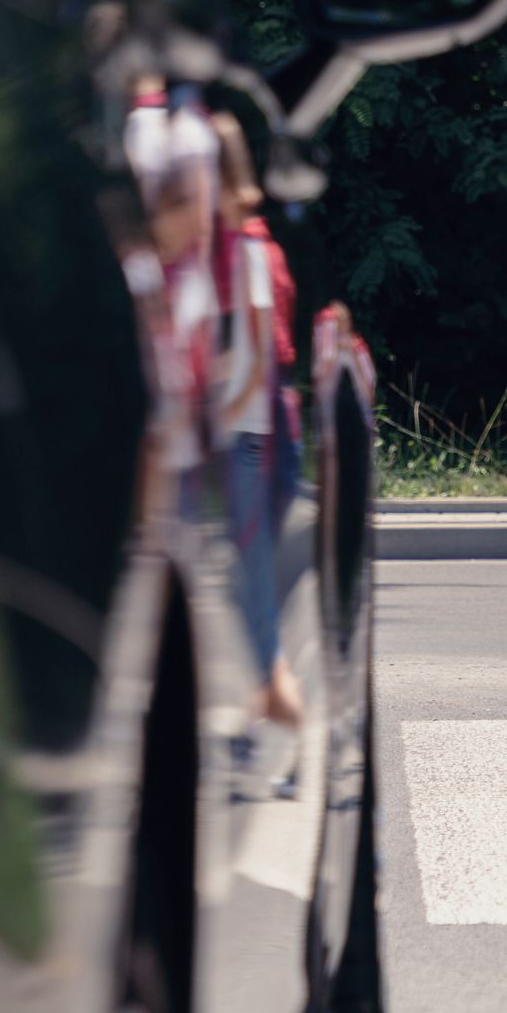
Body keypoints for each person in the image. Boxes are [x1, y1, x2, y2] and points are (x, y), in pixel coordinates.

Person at [209, 112, 304, 789]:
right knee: (248, 595)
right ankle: (258, 734)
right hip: (252, 438)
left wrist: (205, 415)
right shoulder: (245, 244)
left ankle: (289, 742)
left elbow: (257, 358)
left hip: (247, 440)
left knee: (253, 602)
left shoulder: (241, 249)